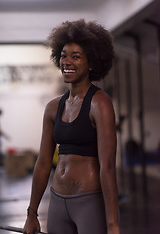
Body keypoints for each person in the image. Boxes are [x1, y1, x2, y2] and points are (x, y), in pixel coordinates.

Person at [23, 19, 120, 234]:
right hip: (57, 202)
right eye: (64, 55)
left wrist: (113, 224)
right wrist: (32, 214)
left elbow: (108, 167)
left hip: (88, 202)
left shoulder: (100, 103)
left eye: (76, 57)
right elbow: (43, 162)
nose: (67, 62)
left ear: (92, 63)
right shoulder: (52, 107)